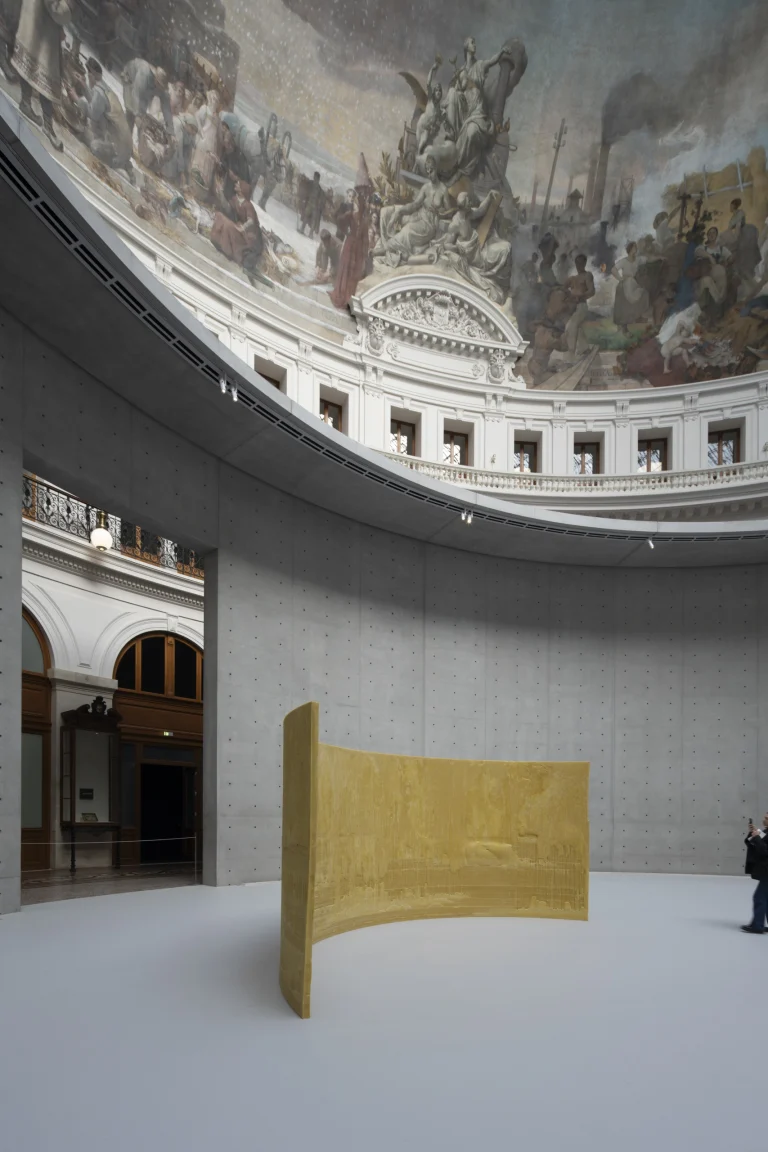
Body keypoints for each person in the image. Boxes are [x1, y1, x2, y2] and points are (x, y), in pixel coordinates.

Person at [11, 0, 71, 150]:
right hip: (41, 28)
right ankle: (48, 126)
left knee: (31, 64)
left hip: (37, 22)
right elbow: (58, 10)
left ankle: (26, 103)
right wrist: (69, 7)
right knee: (47, 78)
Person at [73, 57, 133, 178]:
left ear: (93, 75)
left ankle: (118, 163)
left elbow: (93, 113)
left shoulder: (99, 92)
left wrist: (75, 97)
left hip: (116, 147)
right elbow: (97, 105)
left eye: (88, 73)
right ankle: (123, 160)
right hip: (123, 145)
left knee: (94, 146)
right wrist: (84, 86)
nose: (87, 76)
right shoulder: (105, 89)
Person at [210, 179, 263, 273]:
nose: (236, 185)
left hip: (248, 234)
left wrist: (243, 227)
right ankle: (218, 242)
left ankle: (228, 250)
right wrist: (221, 192)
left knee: (228, 226)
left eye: (238, 184)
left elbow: (251, 220)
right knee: (220, 216)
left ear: (242, 190)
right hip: (239, 226)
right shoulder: (235, 199)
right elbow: (227, 207)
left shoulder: (248, 205)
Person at [121, 58, 172, 136]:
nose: (159, 88)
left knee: (142, 117)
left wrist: (170, 131)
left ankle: (138, 140)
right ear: (155, 78)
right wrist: (137, 115)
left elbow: (167, 109)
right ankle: (124, 136)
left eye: (162, 86)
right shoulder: (144, 74)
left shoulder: (162, 89)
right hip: (130, 78)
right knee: (131, 112)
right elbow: (136, 94)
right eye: (159, 84)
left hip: (143, 90)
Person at [612, 241, 649, 331]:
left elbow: (648, 259)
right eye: (634, 247)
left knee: (644, 293)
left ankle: (638, 317)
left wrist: (659, 257)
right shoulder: (624, 261)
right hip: (626, 282)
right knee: (629, 294)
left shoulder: (638, 259)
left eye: (636, 247)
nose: (636, 249)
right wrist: (620, 278)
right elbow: (613, 269)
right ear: (630, 249)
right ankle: (623, 325)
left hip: (634, 283)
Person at [742, 814, 768, 934]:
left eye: (767, 818)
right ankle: (758, 924)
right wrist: (753, 833)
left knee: (759, 897)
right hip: (765, 870)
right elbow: (756, 842)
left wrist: (757, 837)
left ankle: (757, 926)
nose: (764, 820)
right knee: (764, 898)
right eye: (764, 817)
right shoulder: (765, 832)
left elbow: (764, 850)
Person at [564, 254, 595, 354]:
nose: (578, 265)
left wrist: (580, 296)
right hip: (572, 307)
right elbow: (562, 287)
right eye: (577, 263)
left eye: (580, 263)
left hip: (581, 306)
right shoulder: (573, 278)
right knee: (577, 326)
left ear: (584, 263)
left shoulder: (587, 276)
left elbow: (592, 291)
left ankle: (571, 351)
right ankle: (584, 348)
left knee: (570, 326)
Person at [299, 170, 325, 237]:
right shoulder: (312, 184)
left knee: (312, 219)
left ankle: (309, 233)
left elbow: (321, 199)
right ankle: (303, 230)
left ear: (317, 179)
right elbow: (305, 184)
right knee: (307, 217)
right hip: (311, 204)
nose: (314, 179)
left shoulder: (319, 189)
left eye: (315, 178)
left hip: (314, 206)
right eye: (314, 177)